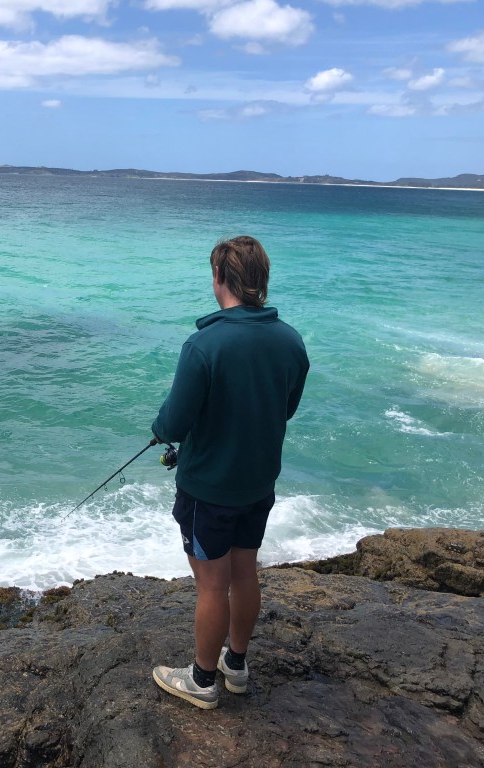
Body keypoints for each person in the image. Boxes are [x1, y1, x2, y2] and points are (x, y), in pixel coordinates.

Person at [150, 235, 309, 710]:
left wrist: (159, 429)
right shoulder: (290, 341)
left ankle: (202, 680)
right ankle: (235, 664)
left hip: (209, 489)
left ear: (220, 277)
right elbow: (286, 408)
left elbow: (173, 424)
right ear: (261, 279)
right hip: (258, 483)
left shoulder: (204, 345)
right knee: (245, 573)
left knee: (212, 584)